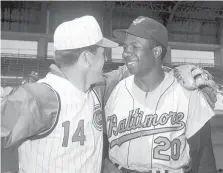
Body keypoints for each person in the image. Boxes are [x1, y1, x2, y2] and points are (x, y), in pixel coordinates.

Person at [1, 15, 216, 173]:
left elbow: (137, 69)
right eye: (102, 53)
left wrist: (178, 71)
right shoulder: (39, 97)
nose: (108, 58)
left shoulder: (98, 89)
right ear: (87, 58)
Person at [104, 16, 217, 173]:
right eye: (125, 47)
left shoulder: (188, 94)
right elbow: (101, 141)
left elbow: (205, 159)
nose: (125, 53)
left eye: (135, 47)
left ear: (156, 51)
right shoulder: (114, 90)